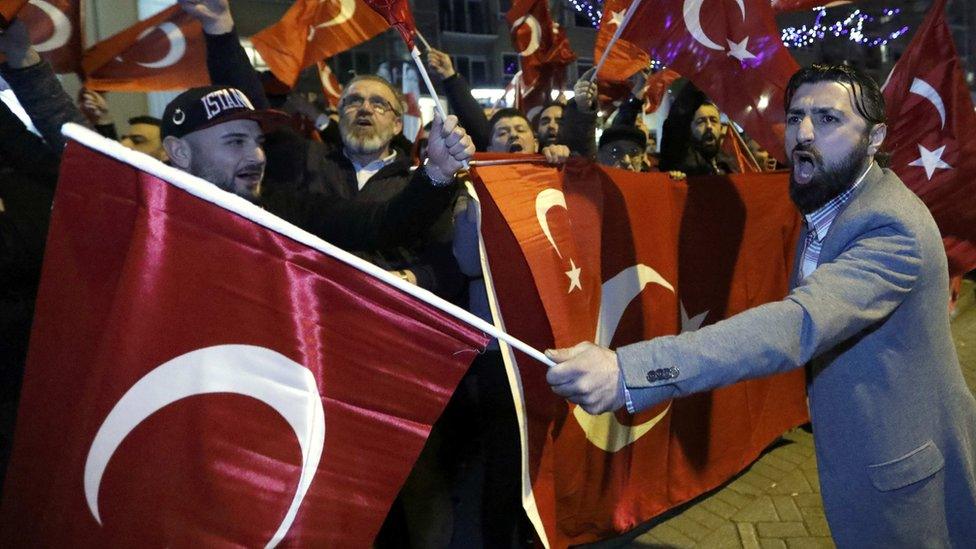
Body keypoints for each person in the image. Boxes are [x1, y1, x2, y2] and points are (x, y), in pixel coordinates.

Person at [544, 64, 976, 546]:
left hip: (899, 468)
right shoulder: (833, 200)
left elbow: (797, 324)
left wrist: (627, 371)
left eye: (829, 119)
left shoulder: (889, 227)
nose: (804, 133)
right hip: (868, 451)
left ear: (875, 138)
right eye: (796, 117)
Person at [658, 83, 738, 176]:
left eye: (713, 120)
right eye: (701, 122)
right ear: (691, 129)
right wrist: (697, 81)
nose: (709, 126)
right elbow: (676, 120)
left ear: (721, 128)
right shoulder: (682, 161)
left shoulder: (728, 165)